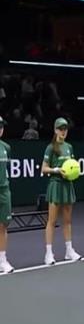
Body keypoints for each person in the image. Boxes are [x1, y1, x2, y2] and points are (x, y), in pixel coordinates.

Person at [42, 117, 81, 265]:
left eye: (65, 129)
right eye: (60, 129)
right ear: (55, 130)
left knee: (67, 220)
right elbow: (44, 169)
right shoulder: (50, 147)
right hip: (55, 184)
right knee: (52, 221)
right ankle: (48, 253)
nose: (63, 131)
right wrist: (57, 170)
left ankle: (69, 251)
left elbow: (73, 166)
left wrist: (73, 172)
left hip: (67, 185)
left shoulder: (69, 147)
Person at [0, 116, 14, 273]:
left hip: (4, 191)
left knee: (3, 225)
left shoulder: (6, 147)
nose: (0, 129)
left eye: (2, 126)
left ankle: (2, 260)